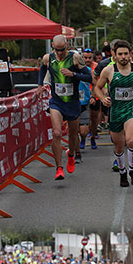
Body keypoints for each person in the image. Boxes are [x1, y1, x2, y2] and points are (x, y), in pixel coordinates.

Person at [38, 36, 92, 181]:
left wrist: (73, 74)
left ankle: (71, 155)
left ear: (67, 46)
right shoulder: (47, 58)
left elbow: (89, 77)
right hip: (56, 102)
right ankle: (59, 168)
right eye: (57, 50)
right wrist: (39, 86)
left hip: (73, 102)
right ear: (52, 46)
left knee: (73, 135)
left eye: (62, 50)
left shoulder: (75, 58)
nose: (60, 53)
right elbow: (42, 71)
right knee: (56, 133)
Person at [95, 40, 133, 187]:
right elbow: (97, 87)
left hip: (130, 110)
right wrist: (103, 99)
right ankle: (123, 172)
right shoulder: (109, 70)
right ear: (114, 56)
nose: (123, 57)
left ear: (130, 55)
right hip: (115, 112)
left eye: (126, 54)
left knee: (130, 141)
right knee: (119, 147)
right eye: (120, 54)